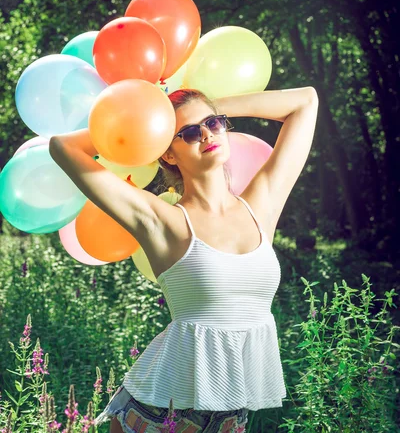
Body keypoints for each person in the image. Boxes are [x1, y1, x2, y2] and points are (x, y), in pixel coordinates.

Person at [49, 86, 319, 433]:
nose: (207, 134)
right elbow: (63, 147)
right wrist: (149, 121)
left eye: (214, 123)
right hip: (157, 413)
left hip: (230, 411)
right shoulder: (161, 220)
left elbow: (305, 101)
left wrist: (213, 104)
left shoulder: (261, 205)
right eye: (190, 132)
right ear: (168, 155)